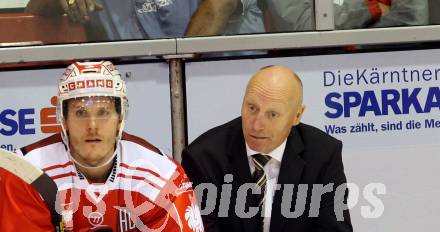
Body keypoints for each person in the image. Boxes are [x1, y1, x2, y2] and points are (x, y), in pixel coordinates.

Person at [181, 65, 395, 232]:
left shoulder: (322, 154)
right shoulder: (204, 157)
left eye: (272, 114)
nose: (257, 124)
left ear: (297, 116)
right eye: (252, 108)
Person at [11, 60, 208, 232]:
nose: (92, 126)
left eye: (103, 112)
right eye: (80, 113)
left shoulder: (159, 173)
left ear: (120, 118)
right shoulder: (26, 173)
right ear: (63, 118)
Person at [25, 0, 263, 41]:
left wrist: (175, 67)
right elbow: (35, 8)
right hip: (130, 85)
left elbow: (219, 7)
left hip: (212, 74)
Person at [258, 0, 428, 32]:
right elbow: (304, 23)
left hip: (387, 68)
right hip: (309, 68)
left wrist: (361, 45)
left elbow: (412, 20)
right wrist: (370, 10)